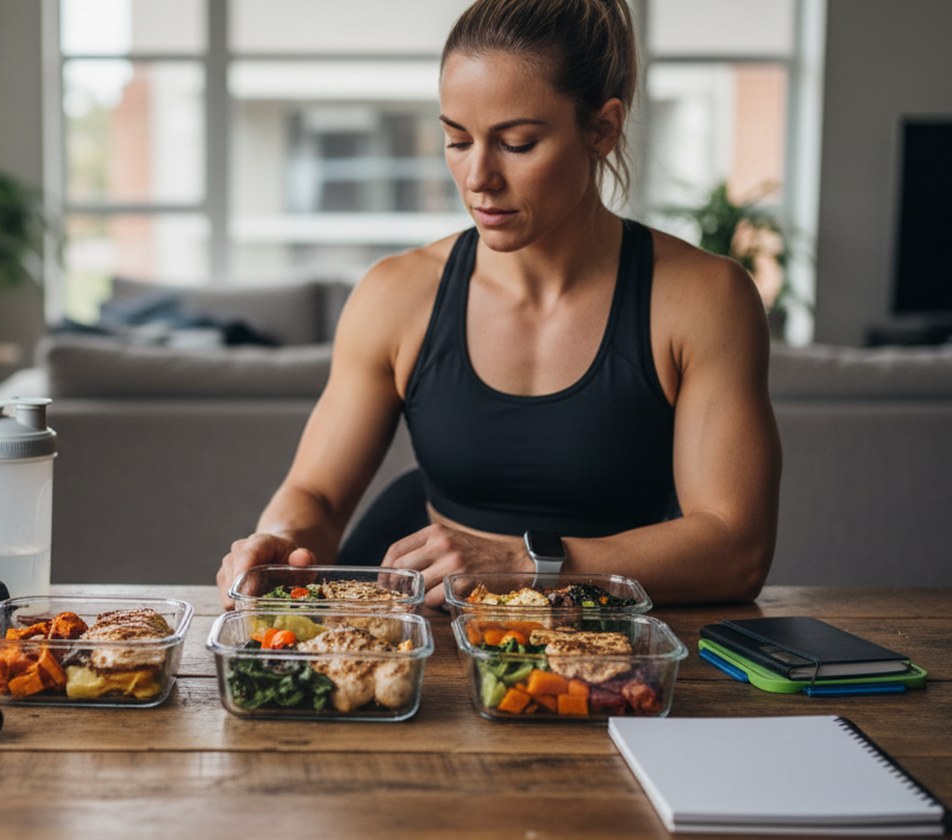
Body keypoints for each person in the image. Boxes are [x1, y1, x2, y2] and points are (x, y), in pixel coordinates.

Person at [216, 0, 781, 608]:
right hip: (428, 625)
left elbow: (737, 548)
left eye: (517, 143)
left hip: (608, 636)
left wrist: (525, 564)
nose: (478, 176)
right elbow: (317, 495)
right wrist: (280, 539)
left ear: (603, 129)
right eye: (457, 140)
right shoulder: (397, 294)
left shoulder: (704, 298)